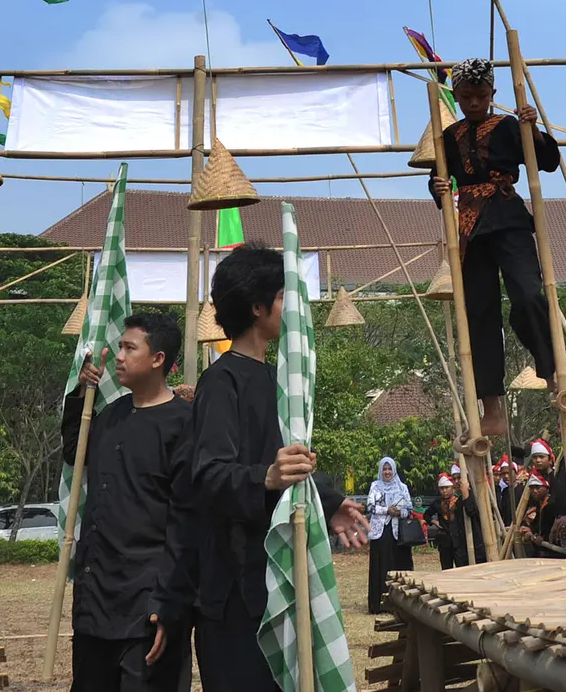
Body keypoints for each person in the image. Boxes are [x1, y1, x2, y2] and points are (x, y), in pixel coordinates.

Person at [190, 244, 368, 692]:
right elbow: (209, 475)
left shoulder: (280, 380)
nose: (295, 310)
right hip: (236, 592)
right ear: (257, 306)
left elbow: (290, 462)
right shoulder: (221, 381)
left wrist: (330, 502)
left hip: (281, 578)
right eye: (287, 296)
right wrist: (264, 477)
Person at [61, 313, 196, 692]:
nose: (118, 356)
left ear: (158, 359)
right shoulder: (110, 415)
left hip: (147, 603)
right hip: (95, 596)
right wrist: (78, 395)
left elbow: (187, 524)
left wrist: (168, 604)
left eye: (129, 348)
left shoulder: (184, 424)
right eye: (120, 347)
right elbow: (75, 451)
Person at [428, 58, 561, 437]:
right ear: (456, 95)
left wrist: (532, 129)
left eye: (481, 96)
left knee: (529, 294)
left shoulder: (508, 126)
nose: (473, 103)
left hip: (508, 218)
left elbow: (548, 161)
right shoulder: (448, 137)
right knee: (480, 314)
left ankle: (550, 370)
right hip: (469, 228)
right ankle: (492, 408)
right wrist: (438, 189)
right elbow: (439, 180)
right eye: (466, 96)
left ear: (492, 95)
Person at [367, 457, 414, 612]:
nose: (387, 472)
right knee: (380, 566)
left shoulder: (402, 487)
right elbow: (370, 506)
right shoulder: (375, 486)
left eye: (389, 469)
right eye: (384, 469)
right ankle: (378, 604)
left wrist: (400, 512)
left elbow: (409, 508)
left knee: (398, 565)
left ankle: (400, 604)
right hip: (380, 533)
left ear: (394, 470)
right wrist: (387, 510)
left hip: (398, 533)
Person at [519, 470, 560, 558]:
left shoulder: (552, 504)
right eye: (532, 488)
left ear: (546, 487)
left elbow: (551, 525)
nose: (534, 491)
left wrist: (543, 537)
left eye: (537, 487)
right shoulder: (539, 505)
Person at [425, 473, 460, 570]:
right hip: (444, 541)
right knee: (446, 569)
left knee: (461, 567)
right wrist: (434, 522)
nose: (444, 491)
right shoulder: (437, 503)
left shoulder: (459, 501)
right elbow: (426, 515)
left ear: (452, 487)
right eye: (441, 488)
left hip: (459, 541)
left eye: (447, 487)